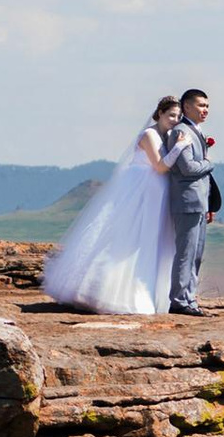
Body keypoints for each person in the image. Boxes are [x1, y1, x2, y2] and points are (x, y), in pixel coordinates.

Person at [38, 97, 181, 314]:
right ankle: (105, 292)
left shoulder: (166, 136)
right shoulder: (149, 135)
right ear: (160, 113)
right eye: (171, 115)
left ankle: (149, 291)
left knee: (149, 240)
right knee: (126, 237)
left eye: (178, 116)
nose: (175, 120)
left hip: (155, 194)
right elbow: (159, 166)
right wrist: (180, 147)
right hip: (139, 191)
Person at [161, 86, 219, 313]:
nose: (206, 110)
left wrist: (209, 203)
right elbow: (187, 168)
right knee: (186, 253)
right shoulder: (180, 132)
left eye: (207, 106)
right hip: (186, 202)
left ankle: (189, 298)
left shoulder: (196, 130)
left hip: (199, 202)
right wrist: (209, 163)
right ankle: (179, 301)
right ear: (187, 106)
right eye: (201, 105)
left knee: (196, 254)